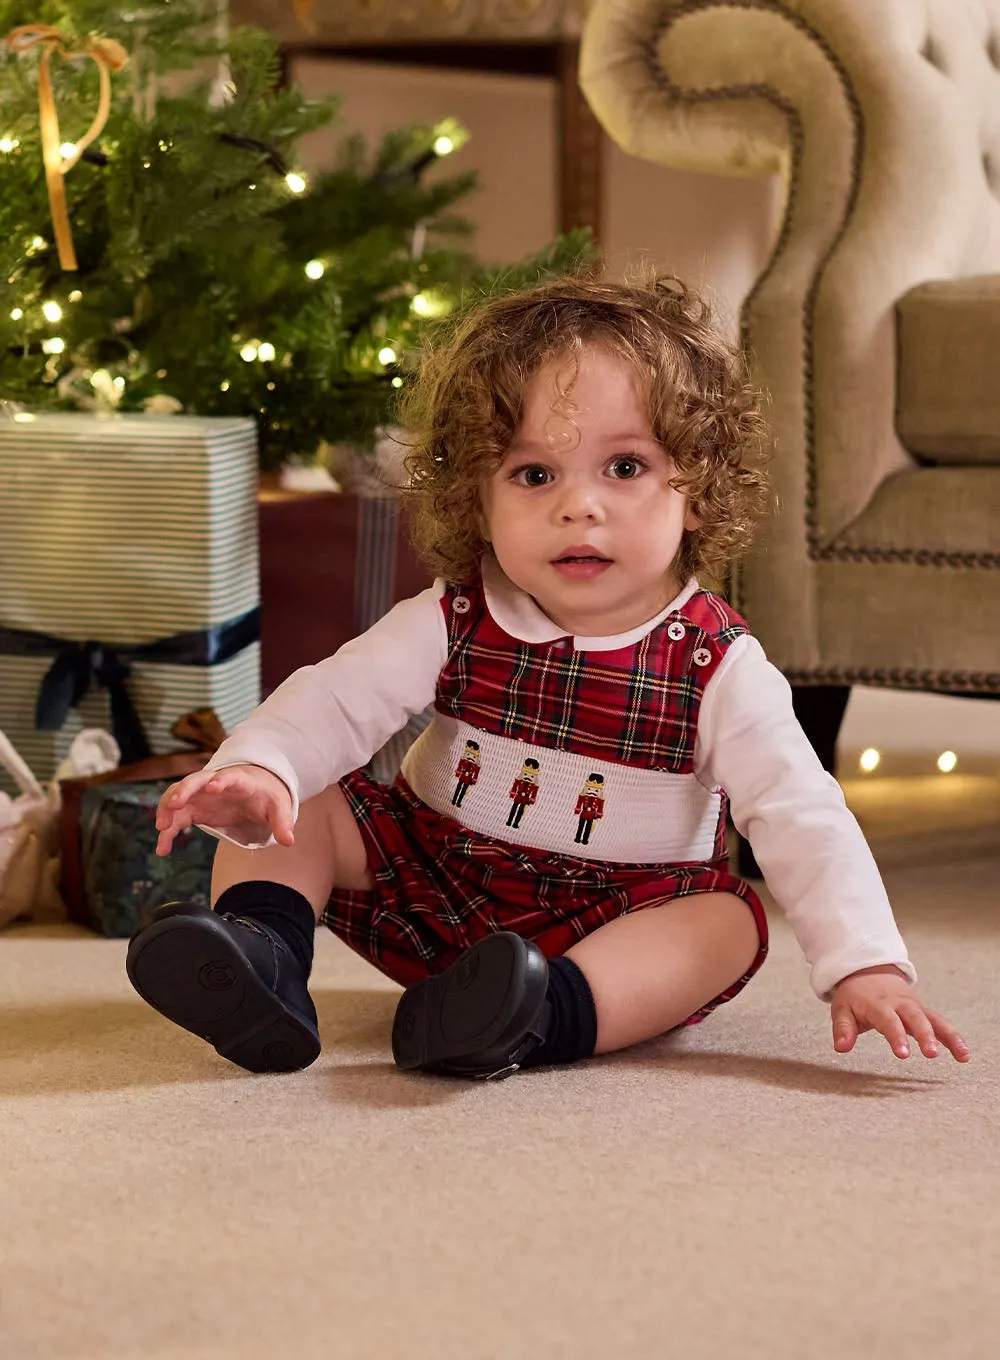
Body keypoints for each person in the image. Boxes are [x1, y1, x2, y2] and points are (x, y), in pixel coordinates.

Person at [125, 273, 970, 1079]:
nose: (579, 505)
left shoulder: (717, 665)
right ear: (477, 500)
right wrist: (257, 768)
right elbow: (337, 698)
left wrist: (866, 963)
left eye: (626, 468)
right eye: (534, 475)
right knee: (299, 802)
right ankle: (264, 956)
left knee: (727, 924)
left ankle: (536, 1014)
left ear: (699, 489)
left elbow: (799, 813)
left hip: (615, 918)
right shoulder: (456, 615)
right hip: (434, 879)